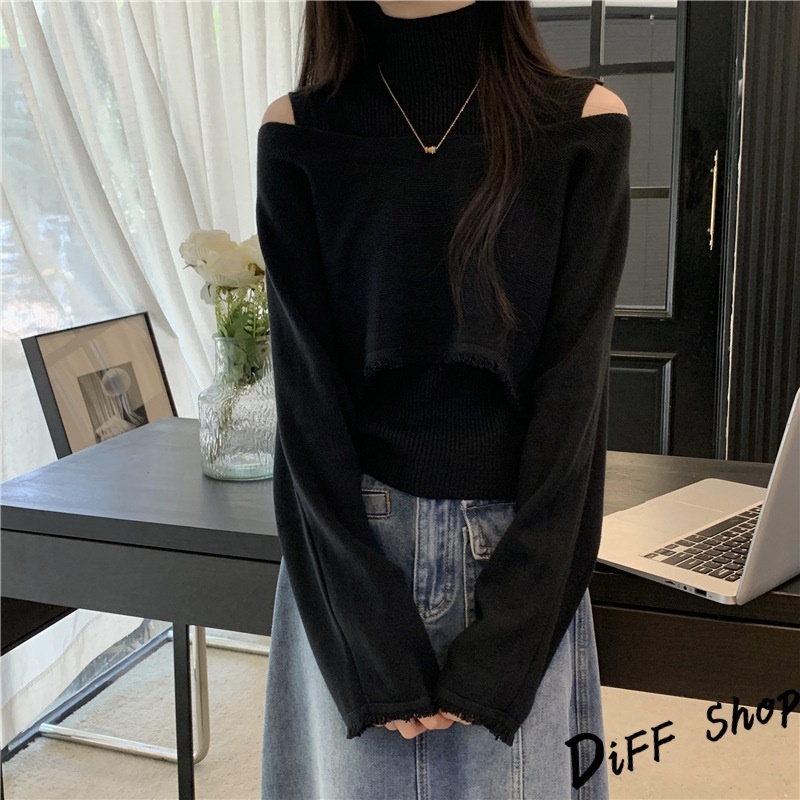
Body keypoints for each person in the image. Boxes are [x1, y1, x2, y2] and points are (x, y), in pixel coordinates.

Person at [256, 1, 631, 797]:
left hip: (517, 557)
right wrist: (365, 635)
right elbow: (307, 409)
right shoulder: (298, 131)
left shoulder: (583, 126)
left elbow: (573, 410)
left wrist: (507, 644)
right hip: (352, 554)